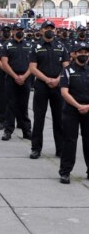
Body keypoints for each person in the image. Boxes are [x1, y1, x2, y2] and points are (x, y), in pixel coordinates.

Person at [28, 20, 69, 159]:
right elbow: (33, 68)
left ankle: (60, 149)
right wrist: (47, 80)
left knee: (59, 118)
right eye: (46, 28)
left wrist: (57, 79)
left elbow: (66, 66)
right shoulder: (36, 47)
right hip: (41, 85)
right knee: (39, 118)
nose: (49, 30)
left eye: (52, 28)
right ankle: (36, 148)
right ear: (41, 31)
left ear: (55, 31)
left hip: (57, 86)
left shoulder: (61, 46)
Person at [58, 42, 89, 184]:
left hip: (88, 109)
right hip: (71, 110)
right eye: (80, 52)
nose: (84, 55)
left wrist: (87, 107)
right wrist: (78, 106)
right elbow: (64, 92)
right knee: (70, 141)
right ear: (74, 54)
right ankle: (65, 172)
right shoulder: (67, 70)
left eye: (86, 52)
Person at [0, 22, 32, 141]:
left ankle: (26, 131)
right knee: (10, 105)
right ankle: (8, 130)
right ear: (13, 31)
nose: (19, 31)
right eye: (17, 29)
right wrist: (15, 76)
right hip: (11, 78)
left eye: (21, 29)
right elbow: (4, 63)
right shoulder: (7, 45)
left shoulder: (29, 44)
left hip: (26, 78)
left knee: (23, 105)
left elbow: (33, 63)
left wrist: (24, 76)